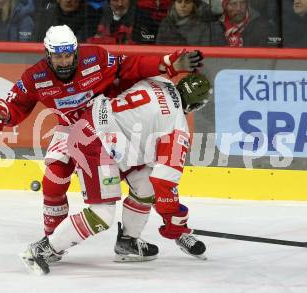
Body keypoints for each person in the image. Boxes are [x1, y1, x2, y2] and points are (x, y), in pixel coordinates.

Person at [0, 25, 203, 263]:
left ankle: (127, 241)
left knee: (144, 186)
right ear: (48, 55)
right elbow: (13, 103)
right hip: (76, 128)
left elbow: (129, 66)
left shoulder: (95, 58)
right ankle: (52, 240)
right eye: (58, 56)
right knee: (55, 179)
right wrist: (1, 114)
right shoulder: (35, 77)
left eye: (68, 54)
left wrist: (168, 64)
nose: (64, 61)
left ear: (76, 52)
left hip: (109, 128)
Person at [21, 73, 211, 275]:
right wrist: (175, 222)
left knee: (146, 185)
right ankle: (42, 249)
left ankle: (128, 243)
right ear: (196, 106)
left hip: (98, 125)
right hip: (97, 144)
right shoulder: (178, 128)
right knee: (102, 215)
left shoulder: (159, 80)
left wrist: (173, 219)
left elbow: (123, 79)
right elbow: (165, 183)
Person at [156, 0, 226, 46]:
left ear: (193, 5)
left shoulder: (206, 24)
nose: (183, 5)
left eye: (187, 2)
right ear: (174, 4)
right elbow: (159, 49)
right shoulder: (166, 24)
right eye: (179, 1)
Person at [32, 0, 101, 42]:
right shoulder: (46, 15)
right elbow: (37, 40)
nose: (68, 0)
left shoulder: (90, 14)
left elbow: (82, 41)